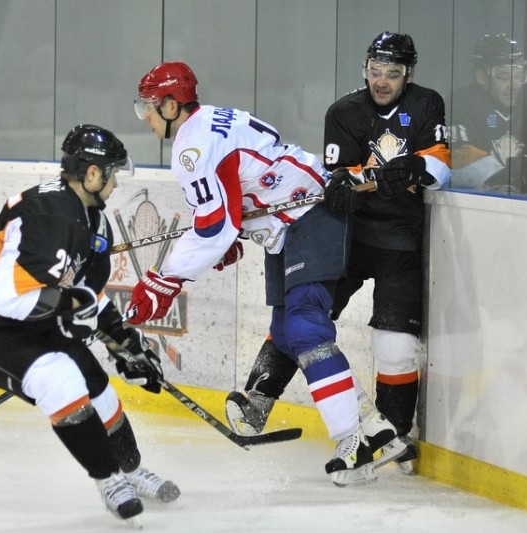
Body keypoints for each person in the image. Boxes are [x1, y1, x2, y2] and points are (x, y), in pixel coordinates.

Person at [129, 61, 407, 487]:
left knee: (305, 325)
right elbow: (236, 194)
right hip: (287, 220)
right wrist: (230, 230)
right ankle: (378, 429)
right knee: (286, 330)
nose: (144, 116)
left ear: (171, 105)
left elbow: (213, 227)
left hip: (310, 212)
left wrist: (164, 280)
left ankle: (353, 441)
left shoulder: (191, 149)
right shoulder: (210, 121)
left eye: (148, 106)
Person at [225, 32, 452, 475]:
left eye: (392, 73)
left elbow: (440, 169)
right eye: (374, 70)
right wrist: (346, 185)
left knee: (396, 346)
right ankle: (258, 400)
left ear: (408, 74)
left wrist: (415, 168)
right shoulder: (344, 111)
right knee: (302, 318)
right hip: (347, 236)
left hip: (401, 240)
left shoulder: (427, 103)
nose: (381, 80)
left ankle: (393, 435)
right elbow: (339, 177)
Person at [0, 124, 180, 525]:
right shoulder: (48, 215)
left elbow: (81, 291)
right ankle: (109, 480)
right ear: (92, 173)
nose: (117, 183)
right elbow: (8, 299)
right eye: (113, 174)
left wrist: (122, 341)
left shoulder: (91, 220)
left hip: (29, 314)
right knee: (60, 378)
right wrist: (72, 308)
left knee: (98, 388)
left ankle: (132, 471)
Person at [449, 34, 527, 196]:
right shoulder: (459, 106)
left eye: (519, 76)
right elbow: (458, 164)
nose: (514, 85)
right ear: (481, 76)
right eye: (504, 76)